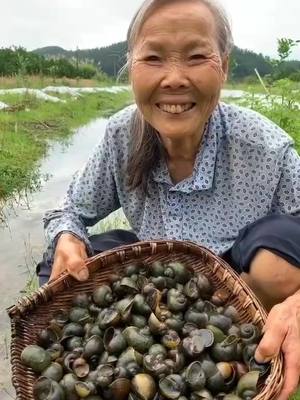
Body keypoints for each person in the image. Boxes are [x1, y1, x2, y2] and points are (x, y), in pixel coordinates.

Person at [39, 0, 300, 398]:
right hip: (157, 287)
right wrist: (67, 238)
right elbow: (69, 209)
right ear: (131, 67)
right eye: (154, 57)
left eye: (197, 57)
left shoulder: (265, 147)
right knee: (64, 269)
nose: (174, 79)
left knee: (280, 251)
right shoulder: (121, 137)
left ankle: (258, 346)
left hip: (237, 283)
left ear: (224, 67)